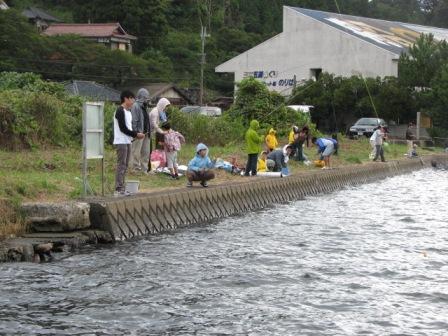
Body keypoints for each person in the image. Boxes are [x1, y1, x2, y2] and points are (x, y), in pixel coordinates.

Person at [113, 90, 145, 196]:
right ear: (126, 98)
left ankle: (122, 187)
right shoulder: (120, 111)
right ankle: (118, 189)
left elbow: (129, 128)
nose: (133, 101)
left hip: (127, 141)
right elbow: (123, 129)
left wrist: (135, 135)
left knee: (125, 165)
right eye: (132, 99)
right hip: (121, 141)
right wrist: (136, 134)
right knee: (121, 165)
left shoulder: (129, 112)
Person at [130, 88, 150, 173]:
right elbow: (134, 120)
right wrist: (136, 133)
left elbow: (146, 119)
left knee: (146, 152)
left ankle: (144, 169)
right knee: (136, 152)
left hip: (146, 132)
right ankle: (136, 169)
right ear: (142, 97)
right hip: (139, 133)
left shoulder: (145, 106)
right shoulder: (135, 106)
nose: (147, 99)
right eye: (146, 97)